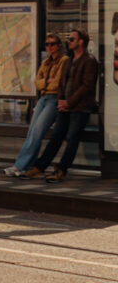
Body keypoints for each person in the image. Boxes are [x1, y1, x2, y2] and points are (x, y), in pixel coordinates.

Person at [24, 28, 100, 182]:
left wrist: (69, 102)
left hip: (80, 107)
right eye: (68, 39)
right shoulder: (69, 60)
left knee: (72, 138)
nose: (68, 42)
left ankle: (61, 170)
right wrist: (60, 100)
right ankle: (39, 167)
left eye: (72, 39)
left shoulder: (89, 60)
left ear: (81, 42)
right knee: (56, 137)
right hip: (65, 106)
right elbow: (61, 84)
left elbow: (87, 86)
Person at [4, 34, 65, 177]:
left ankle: (20, 165)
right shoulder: (45, 62)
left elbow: (58, 83)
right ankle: (26, 165)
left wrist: (47, 82)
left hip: (53, 99)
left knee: (37, 131)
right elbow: (37, 82)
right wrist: (46, 82)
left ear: (59, 45)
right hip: (43, 98)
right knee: (32, 131)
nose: (49, 47)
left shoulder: (64, 61)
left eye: (53, 44)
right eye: (47, 44)